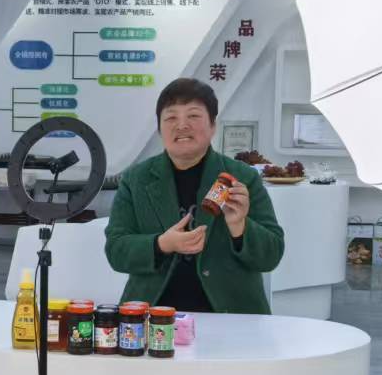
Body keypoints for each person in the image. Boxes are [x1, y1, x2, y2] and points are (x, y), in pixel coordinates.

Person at [104, 77, 284, 314]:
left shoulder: (241, 177)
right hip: (154, 317)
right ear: (159, 130)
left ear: (213, 126)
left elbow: (271, 256)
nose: (182, 125)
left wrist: (240, 227)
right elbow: (116, 251)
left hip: (233, 316)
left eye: (193, 116)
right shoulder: (136, 179)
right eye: (171, 118)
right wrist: (162, 244)